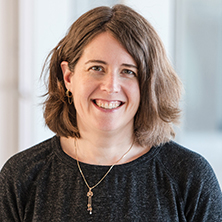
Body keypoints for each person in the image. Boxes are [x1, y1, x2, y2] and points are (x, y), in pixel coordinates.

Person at [0, 4, 222, 222]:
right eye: (96, 68)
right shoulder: (21, 177)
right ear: (68, 77)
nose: (111, 86)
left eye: (128, 71)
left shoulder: (190, 177)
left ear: (147, 84)